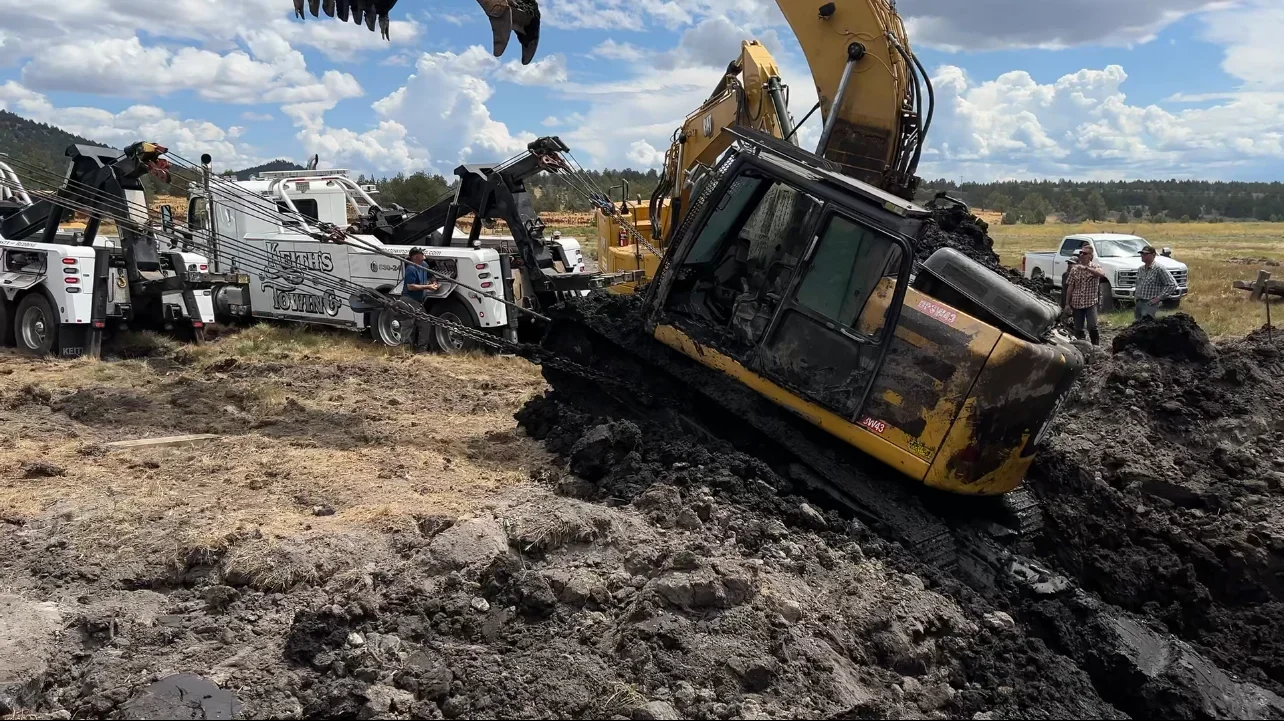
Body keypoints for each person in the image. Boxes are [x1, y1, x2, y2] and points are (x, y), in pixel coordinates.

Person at [1062, 245, 1107, 345]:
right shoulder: (1074, 269)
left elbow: (1102, 274)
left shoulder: (1095, 267)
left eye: (1085, 253)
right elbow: (1070, 287)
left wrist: (1086, 268)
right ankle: (1082, 346)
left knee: (1092, 326)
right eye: (1081, 253)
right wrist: (1067, 304)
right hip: (1077, 303)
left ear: (1090, 256)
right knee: (1078, 328)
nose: (1082, 255)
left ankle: (1096, 346)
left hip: (1090, 302)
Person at [402, 248, 439, 351]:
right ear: (414, 257)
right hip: (408, 300)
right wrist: (428, 287)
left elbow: (431, 275)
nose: (423, 256)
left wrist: (434, 282)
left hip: (418, 301)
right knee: (408, 325)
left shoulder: (424, 265)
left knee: (425, 324)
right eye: (421, 254)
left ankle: (421, 350)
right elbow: (410, 287)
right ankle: (406, 351)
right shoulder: (411, 268)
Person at [1134, 244, 1178, 321]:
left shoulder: (1159, 269)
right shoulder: (1140, 269)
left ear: (1153, 255)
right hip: (1139, 302)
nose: (1142, 255)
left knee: (1147, 324)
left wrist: (1159, 298)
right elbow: (1138, 284)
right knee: (1137, 325)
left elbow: (1172, 284)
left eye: (1145, 254)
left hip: (1150, 303)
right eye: (1141, 253)